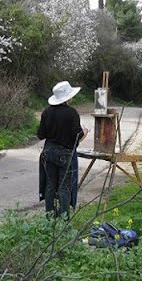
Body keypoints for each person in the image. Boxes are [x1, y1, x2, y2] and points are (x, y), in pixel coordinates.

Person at [37, 81, 89, 220]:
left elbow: (41, 134)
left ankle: (49, 220)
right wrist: (85, 132)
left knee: (50, 187)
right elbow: (76, 137)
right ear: (67, 97)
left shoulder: (46, 112)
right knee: (64, 188)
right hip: (65, 154)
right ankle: (64, 222)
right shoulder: (72, 113)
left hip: (48, 152)